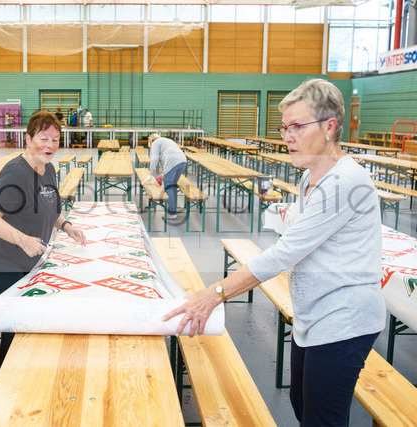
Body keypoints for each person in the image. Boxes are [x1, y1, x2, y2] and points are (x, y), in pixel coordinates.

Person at [163, 79, 385, 426]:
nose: (287, 137)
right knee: (301, 404)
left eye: (297, 126)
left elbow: (284, 253)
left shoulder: (344, 181)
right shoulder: (310, 177)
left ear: (329, 127)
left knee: (322, 418)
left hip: (343, 319)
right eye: (284, 128)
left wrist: (214, 294)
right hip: (313, 315)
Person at [0, 111, 86, 365]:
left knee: (31, 312)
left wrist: (66, 226)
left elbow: (50, 207)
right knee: (16, 318)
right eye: (43, 138)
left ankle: (25, 364)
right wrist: (24, 240)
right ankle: (6, 373)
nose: (50, 145)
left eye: (55, 140)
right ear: (28, 139)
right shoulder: (17, 173)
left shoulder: (48, 169)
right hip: (2, 255)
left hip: (29, 254)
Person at [144, 134, 187, 221]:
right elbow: (163, 162)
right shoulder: (166, 140)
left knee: (168, 188)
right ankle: (173, 210)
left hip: (172, 161)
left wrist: (150, 175)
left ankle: (172, 213)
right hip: (183, 161)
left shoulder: (155, 143)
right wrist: (164, 174)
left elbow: (154, 158)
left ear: (151, 141)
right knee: (173, 186)